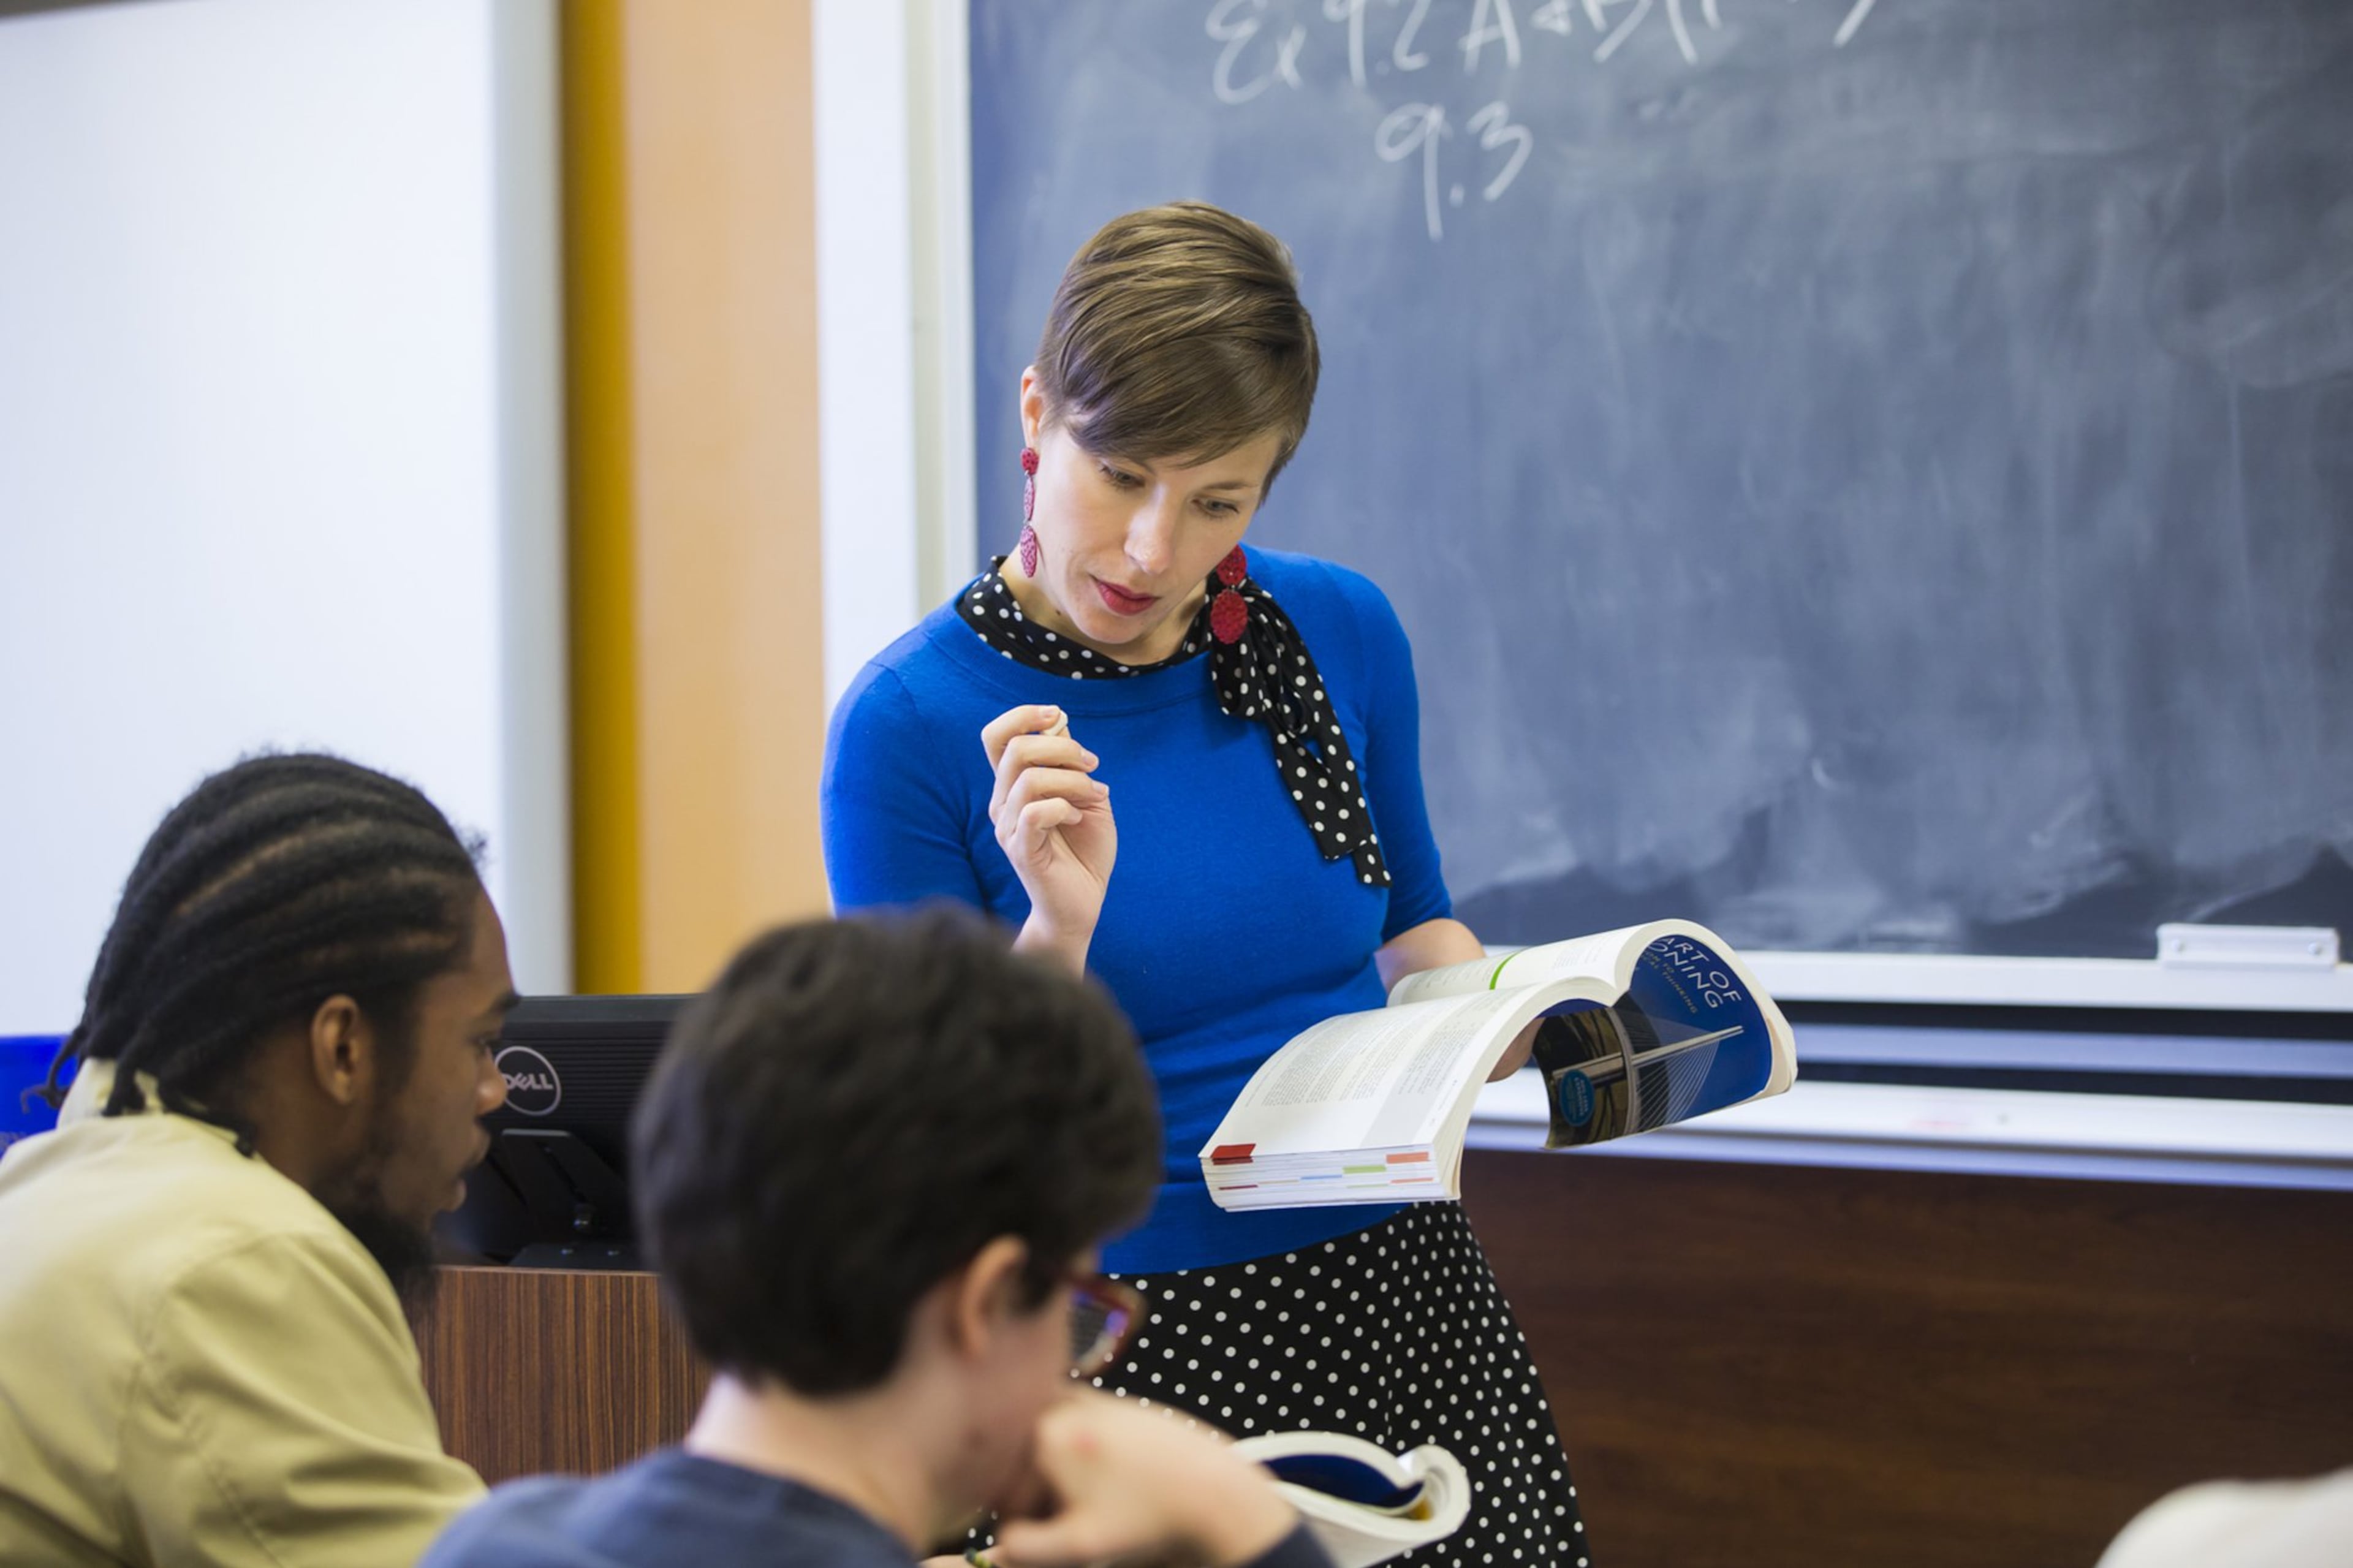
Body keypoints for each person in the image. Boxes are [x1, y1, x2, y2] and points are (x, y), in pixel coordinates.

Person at [823, 201, 1593, 1564]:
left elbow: (1416, 927)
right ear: (1036, 413)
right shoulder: (909, 722)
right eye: (1119, 473)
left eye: (1219, 501)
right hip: (1123, 1336)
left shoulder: (1337, 630)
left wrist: (1505, 1011)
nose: (1153, 551)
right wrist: (1057, 925)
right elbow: (924, 1144)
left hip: (1404, 1294)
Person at [420, 910, 1335, 1568]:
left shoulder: (489, 1540)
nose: (1073, 1375)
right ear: (988, 1301)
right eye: (1078, 1315)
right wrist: (1241, 1520)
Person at [0, 753, 513, 1566]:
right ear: (344, 1048)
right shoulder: (239, 1262)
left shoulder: (31, 1190)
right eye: (481, 1043)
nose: (494, 1091)